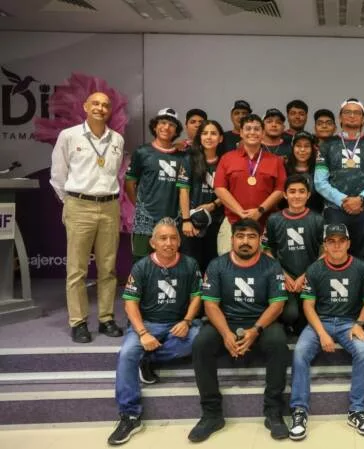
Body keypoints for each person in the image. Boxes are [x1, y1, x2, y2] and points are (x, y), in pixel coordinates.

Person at [189, 219, 290, 442]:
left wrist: (255, 330)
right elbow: (210, 305)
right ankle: (212, 414)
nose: (245, 241)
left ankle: (273, 412)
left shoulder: (271, 266)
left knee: (278, 342)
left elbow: (277, 305)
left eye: (251, 236)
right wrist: (226, 334)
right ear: (232, 239)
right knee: (201, 343)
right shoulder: (217, 265)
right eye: (240, 236)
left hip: (260, 322)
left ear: (259, 240)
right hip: (226, 321)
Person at [107, 218, 202, 445]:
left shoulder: (190, 264)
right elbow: (130, 303)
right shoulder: (141, 267)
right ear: (153, 242)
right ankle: (130, 416)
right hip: (147, 324)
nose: (168, 243)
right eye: (163, 238)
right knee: (127, 353)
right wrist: (142, 333)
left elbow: (197, 296)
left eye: (173, 238)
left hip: (177, 323)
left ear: (179, 241)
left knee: (199, 338)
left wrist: (187, 321)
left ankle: (148, 359)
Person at [50, 91, 125, 343]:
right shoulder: (69, 136)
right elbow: (58, 175)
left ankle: (106, 318)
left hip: (109, 206)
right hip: (79, 205)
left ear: (109, 110)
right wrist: (70, 202)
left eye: (105, 105)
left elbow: (114, 173)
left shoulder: (117, 139)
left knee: (108, 268)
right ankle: (79, 322)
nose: (100, 108)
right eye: (95, 103)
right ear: (85, 106)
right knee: (77, 269)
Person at [288, 224, 364, 440]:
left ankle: (356, 410)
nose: (337, 245)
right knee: (300, 352)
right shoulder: (315, 269)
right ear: (325, 245)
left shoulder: (361, 268)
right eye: (331, 241)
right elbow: (308, 306)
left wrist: (359, 323)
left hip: (349, 323)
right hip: (321, 321)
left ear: (348, 243)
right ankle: (299, 410)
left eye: (341, 241)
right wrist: (322, 334)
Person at [315, 98, 364, 261]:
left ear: (363, 118)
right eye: (347, 112)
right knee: (335, 256)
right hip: (335, 209)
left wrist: (361, 199)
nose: (352, 116)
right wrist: (343, 200)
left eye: (357, 113)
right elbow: (320, 182)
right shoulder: (327, 145)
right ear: (340, 117)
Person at [213, 114, 286, 254]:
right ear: (241, 132)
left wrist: (260, 211)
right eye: (248, 128)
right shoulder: (227, 158)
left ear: (263, 133)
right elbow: (219, 188)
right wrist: (241, 212)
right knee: (227, 262)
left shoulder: (275, 160)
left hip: (266, 224)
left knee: (266, 264)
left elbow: (281, 189)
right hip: (233, 221)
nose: (252, 132)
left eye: (257, 129)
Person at [264, 175, 324, 333]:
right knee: (290, 314)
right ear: (285, 195)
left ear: (308, 195)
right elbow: (267, 251)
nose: (297, 196)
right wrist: (283, 275)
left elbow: (325, 252)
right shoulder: (274, 219)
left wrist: (306, 275)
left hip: (310, 277)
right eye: (292, 191)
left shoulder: (318, 219)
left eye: (301, 191)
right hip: (285, 278)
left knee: (309, 318)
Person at [126, 108, 185, 263]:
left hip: (172, 218)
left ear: (176, 130)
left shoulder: (182, 156)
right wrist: (140, 207)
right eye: (163, 123)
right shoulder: (142, 152)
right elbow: (130, 182)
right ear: (155, 126)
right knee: (141, 262)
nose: (166, 127)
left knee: (169, 261)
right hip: (145, 219)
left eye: (171, 125)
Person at [177, 120, 225, 273]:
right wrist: (186, 220)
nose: (209, 137)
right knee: (191, 265)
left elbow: (230, 192)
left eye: (213, 133)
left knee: (212, 264)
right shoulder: (189, 159)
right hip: (192, 221)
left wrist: (214, 204)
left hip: (217, 221)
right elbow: (183, 191)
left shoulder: (226, 161)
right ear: (199, 137)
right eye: (204, 133)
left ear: (220, 138)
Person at [282, 131, 324, 213]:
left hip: (315, 216)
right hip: (287, 216)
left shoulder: (320, 169)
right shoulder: (284, 168)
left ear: (312, 149)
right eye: (298, 146)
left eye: (307, 146)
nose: (302, 150)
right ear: (293, 148)